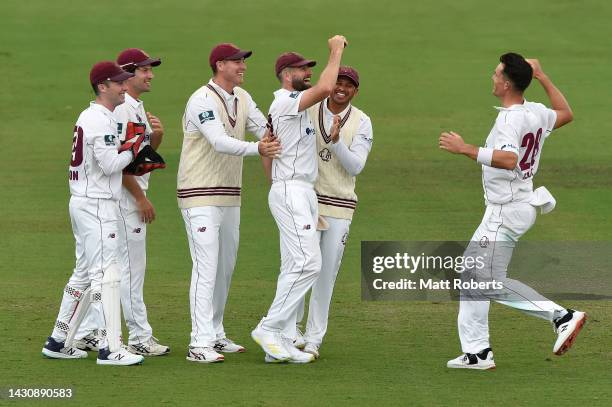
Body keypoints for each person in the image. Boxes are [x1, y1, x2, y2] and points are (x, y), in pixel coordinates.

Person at [439, 53, 586, 370]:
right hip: (520, 205)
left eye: (495, 74)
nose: (491, 77)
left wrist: (465, 149)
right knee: (472, 275)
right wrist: (543, 76)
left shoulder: (511, 119)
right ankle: (477, 353)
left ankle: (561, 315)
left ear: (506, 83)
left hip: (505, 211)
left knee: (485, 279)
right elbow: (565, 113)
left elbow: (508, 159)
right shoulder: (533, 112)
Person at [177, 43, 281, 363]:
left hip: (230, 194)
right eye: (237, 62)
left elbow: (267, 128)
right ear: (219, 65)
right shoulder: (202, 99)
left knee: (224, 268)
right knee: (206, 266)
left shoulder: (243, 98)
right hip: (199, 192)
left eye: (243, 62)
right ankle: (199, 343)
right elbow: (219, 142)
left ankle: (215, 333)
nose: (243, 66)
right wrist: (259, 150)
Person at [251, 35, 347, 364]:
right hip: (292, 189)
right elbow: (324, 88)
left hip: (300, 191)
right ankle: (269, 327)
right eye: (302, 68)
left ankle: (277, 340)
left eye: (309, 68)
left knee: (295, 264)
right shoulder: (283, 101)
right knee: (309, 263)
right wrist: (335, 51)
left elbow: (269, 146)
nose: (308, 72)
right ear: (285, 72)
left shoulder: (297, 107)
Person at [42, 61, 144, 366]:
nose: (125, 87)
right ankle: (109, 347)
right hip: (98, 205)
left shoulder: (94, 117)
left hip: (85, 203)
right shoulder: (99, 119)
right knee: (106, 275)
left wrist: (126, 148)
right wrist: (135, 148)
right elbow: (111, 165)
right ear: (103, 87)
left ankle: (59, 340)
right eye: (119, 83)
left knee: (84, 273)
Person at [294, 66, 373, 359]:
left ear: (355, 90)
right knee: (300, 268)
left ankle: (314, 338)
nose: (341, 88)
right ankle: (293, 331)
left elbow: (356, 166)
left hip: (339, 205)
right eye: (337, 82)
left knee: (325, 274)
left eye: (348, 85)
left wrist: (337, 142)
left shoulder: (362, 122)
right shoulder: (308, 109)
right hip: (306, 202)